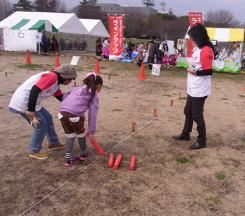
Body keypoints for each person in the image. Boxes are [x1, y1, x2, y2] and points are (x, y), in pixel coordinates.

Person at [8, 64, 78, 159]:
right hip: (25, 103)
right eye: (70, 79)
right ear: (64, 77)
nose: (71, 81)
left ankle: (53, 143)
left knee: (48, 118)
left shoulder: (56, 83)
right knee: (41, 125)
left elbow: (60, 97)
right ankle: (34, 150)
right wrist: (31, 109)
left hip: (34, 102)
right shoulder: (52, 76)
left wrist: (74, 105)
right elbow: (34, 89)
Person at [173, 23, 214, 149]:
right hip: (192, 88)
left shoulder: (206, 50)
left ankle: (201, 141)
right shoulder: (198, 48)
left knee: (197, 115)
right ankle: (186, 134)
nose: (192, 40)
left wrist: (194, 71)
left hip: (200, 89)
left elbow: (208, 71)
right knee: (188, 111)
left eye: (193, 38)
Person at [59, 73, 103, 166]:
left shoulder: (76, 88)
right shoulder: (93, 96)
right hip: (75, 115)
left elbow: (64, 97)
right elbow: (92, 115)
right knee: (81, 133)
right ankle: (83, 153)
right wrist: (91, 131)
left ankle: (69, 158)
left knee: (70, 135)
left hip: (62, 113)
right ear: (98, 86)